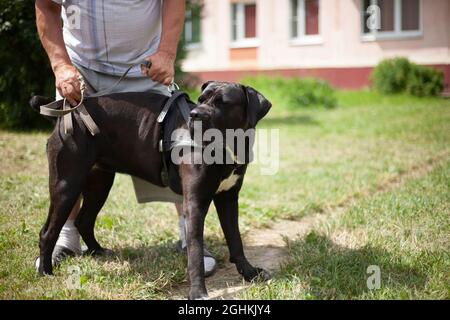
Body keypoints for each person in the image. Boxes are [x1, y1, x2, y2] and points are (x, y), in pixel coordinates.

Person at [35, 0, 217, 276]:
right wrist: (60, 65)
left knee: (177, 148)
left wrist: (167, 52)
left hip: (144, 66)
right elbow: (46, 5)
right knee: (72, 155)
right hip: (80, 69)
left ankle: (190, 237)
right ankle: (66, 236)